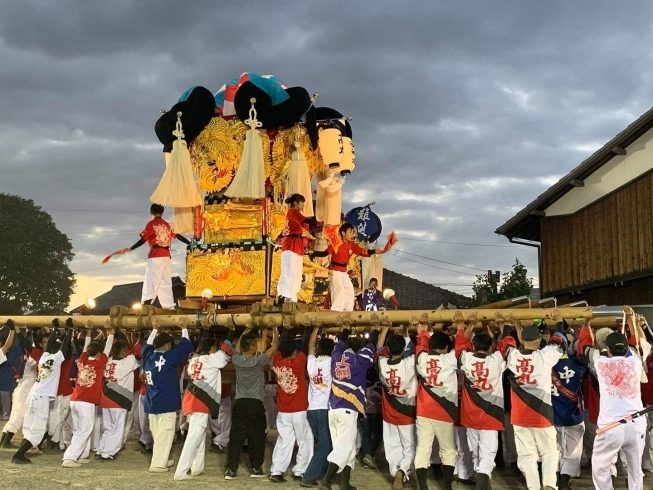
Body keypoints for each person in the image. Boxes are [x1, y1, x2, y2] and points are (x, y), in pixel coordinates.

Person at [580, 306, 650, 490]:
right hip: (636, 424)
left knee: (600, 468)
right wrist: (632, 319)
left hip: (611, 426)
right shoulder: (635, 360)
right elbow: (640, 342)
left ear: (607, 349)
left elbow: (585, 346)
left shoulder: (600, 362)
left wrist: (586, 323)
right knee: (636, 471)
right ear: (626, 348)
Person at [505, 309, 567, 490]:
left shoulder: (513, 357)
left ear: (521, 340)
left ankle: (533, 487)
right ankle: (548, 485)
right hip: (542, 414)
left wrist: (509, 326)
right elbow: (560, 342)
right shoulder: (544, 356)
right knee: (549, 452)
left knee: (526, 455)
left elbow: (508, 344)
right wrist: (559, 320)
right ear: (539, 340)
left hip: (519, 415)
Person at [455, 312, 514, 490]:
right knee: (488, 454)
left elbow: (459, 346)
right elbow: (508, 346)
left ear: (473, 346)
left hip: (470, 414)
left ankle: (483, 484)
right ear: (490, 347)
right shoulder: (496, 360)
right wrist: (504, 325)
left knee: (476, 452)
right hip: (490, 415)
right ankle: (482, 486)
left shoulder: (467, 358)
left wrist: (465, 325)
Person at [320, 324, 380, 490]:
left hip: (333, 408)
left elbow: (339, 344)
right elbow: (371, 345)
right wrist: (375, 328)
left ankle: (345, 484)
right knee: (345, 448)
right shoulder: (360, 360)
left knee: (348, 447)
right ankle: (326, 481)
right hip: (348, 409)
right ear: (359, 348)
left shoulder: (336, 357)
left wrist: (345, 329)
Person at [174, 325, 234, 481]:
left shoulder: (193, 359)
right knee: (194, 437)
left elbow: (204, 349)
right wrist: (232, 330)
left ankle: (197, 468)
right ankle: (180, 472)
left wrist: (206, 331)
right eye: (215, 347)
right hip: (200, 402)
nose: (217, 348)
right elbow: (226, 350)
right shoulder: (212, 359)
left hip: (191, 400)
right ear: (212, 348)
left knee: (200, 436)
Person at [414, 315, 465, 490]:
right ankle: (447, 486)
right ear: (445, 347)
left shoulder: (422, 359)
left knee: (423, 449)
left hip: (423, 411)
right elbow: (459, 348)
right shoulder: (449, 359)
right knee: (448, 450)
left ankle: (422, 486)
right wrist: (460, 327)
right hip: (444, 412)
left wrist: (422, 329)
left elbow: (421, 346)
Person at [225, 322, 279, 480]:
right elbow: (274, 347)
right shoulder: (259, 360)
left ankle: (231, 470)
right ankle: (256, 468)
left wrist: (245, 331)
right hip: (255, 403)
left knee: (236, 437)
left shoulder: (237, 360)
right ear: (254, 347)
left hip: (240, 402)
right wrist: (275, 329)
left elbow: (236, 349)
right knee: (257, 436)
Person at [12, 325, 72, 464]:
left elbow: (50, 343)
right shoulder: (57, 360)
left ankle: (21, 453)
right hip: (42, 398)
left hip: (33, 395)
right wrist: (69, 331)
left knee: (29, 428)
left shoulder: (44, 357)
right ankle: (18, 455)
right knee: (38, 431)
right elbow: (64, 346)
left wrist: (55, 329)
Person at [142, 317, 194, 473]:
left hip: (152, 402)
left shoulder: (148, 357)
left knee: (158, 434)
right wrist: (184, 327)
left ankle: (161, 459)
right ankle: (158, 465)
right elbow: (186, 347)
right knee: (165, 435)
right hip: (166, 402)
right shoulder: (169, 358)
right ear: (166, 345)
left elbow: (147, 346)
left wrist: (154, 329)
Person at [119, 203, 191, 309]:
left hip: (156, 255)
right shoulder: (167, 225)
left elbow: (143, 240)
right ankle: (169, 306)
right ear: (162, 212)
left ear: (151, 212)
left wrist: (130, 248)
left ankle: (147, 301)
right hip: (166, 256)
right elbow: (179, 236)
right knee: (164, 281)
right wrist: (189, 243)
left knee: (152, 277)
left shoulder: (151, 224)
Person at [62, 324, 114, 468]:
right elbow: (107, 349)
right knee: (84, 430)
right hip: (86, 402)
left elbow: (85, 348)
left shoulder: (82, 360)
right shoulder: (98, 363)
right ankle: (69, 458)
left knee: (80, 430)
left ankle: (81, 455)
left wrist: (90, 332)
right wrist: (111, 334)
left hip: (75, 399)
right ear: (98, 354)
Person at [269, 327, 314, 482]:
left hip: (283, 411)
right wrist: (309, 328)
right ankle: (300, 470)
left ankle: (277, 471)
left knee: (284, 440)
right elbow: (307, 345)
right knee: (305, 439)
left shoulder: (277, 363)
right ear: (294, 353)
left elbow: (280, 349)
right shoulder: (299, 363)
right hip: (299, 410)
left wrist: (286, 330)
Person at [376, 324, 417, 490]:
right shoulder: (410, 363)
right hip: (407, 413)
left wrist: (385, 329)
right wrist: (407, 331)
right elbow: (414, 349)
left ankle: (395, 471)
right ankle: (403, 470)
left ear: (388, 349)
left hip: (389, 413)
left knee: (392, 447)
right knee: (410, 447)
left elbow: (379, 349)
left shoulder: (382, 363)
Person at [549, 320, 586, 490]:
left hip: (552, 414)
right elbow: (582, 345)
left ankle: (554, 477)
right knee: (573, 449)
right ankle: (564, 479)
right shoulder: (576, 363)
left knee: (553, 448)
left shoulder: (544, 363)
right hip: (573, 414)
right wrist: (570, 329)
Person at [315, 223, 383, 312]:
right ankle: (336, 310)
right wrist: (314, 253)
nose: (352, 234)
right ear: (343, 233)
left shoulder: (351, 245)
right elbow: (325, 253)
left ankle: (347, 310)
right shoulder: (336, 243)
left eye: (353, 232)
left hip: (343, 271)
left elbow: (362, 252)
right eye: (350, 232)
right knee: (339, 289)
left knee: (349, 289)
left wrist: (374, 251)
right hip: (335, 270)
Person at [97, 335, 141, 461]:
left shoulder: (109, 359)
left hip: (105, 398)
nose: (127, 352)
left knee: (108, 427)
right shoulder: (127, 362)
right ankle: (108, 453)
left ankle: (101, 449)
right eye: (126, 350)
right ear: (122, 352)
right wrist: (141, 337)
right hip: (119, 400)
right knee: (117, 429)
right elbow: (138, 354)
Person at [302, 326, 335, 487]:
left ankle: (321, 474)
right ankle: (309, 476)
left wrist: (315, 329)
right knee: (325, 445)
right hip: (324, 409)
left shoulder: (312, 363)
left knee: (323, 443)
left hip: (311, 410)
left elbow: (309, 347)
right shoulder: (331, 363)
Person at [2, 323, 38, 449]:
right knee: (18, 416)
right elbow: (27, 345)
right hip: (25, 388)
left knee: (14, 415)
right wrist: (17, 331)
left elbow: (24, 345)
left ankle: (4, 441)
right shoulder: (34, 355)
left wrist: (28, 332)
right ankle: (6, 442)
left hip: (22, 387)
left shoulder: (26, 354)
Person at [276, 193, 316, 306]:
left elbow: (285, 230)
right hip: (291, 245)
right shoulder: (293, 212)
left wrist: (278, 238)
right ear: (295, 203)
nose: (303, 205)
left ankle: (291, 298)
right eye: (301, 202)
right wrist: (320, 224)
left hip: (296, 245)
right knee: (289, 271)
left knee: (297, 273)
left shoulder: (293, 216)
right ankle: (283, 296)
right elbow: (306, 221)